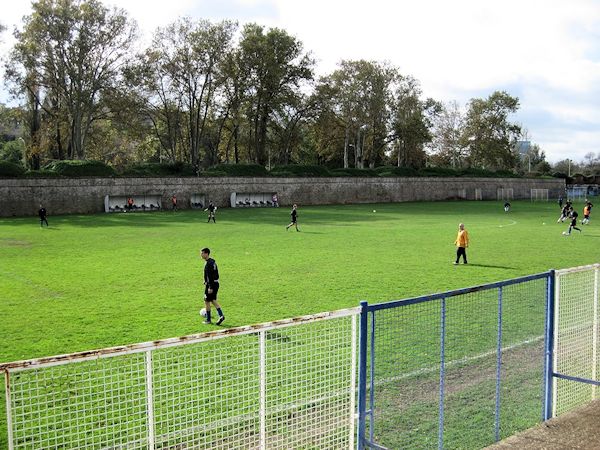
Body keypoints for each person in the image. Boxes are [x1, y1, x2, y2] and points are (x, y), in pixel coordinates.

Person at [200, 247, 225, 325]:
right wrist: (205, 280)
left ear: (206, 253)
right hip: (215, 283)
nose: (201, 255)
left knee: (206, 301)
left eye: (202, 253)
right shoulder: (212, 262)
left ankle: (208, 319)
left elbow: (210, 276)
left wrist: (210, 287)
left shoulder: (208, 264)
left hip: (211, 285)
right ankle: (221, 316)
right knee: (213, 300)